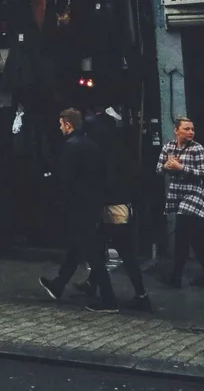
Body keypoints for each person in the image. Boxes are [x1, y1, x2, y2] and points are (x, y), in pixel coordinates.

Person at [39, 108, 118, 313]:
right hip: (92, 204)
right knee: (78, 247)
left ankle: (109, 299)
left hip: (78, 206)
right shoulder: (92, 145)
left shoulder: (70, 146)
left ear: (67, 123)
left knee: (91, 253)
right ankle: (58, 284)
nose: (59, 127)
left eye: (61, 124)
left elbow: (66, 180)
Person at [78, 112, 151, 311]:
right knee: (119, 252)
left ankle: (109, 299)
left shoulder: (104, 152)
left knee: (106, 251)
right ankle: (138, 295)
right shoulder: (120, 149)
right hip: (121, 206)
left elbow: (106, 182)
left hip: (111, 208)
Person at [157, 116, 204, 288]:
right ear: (176, 130)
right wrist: (167, 167)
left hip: (193, 195)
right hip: (177, 194)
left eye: (192, 129)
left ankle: (175, 277)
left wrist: (182, 168)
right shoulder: (168, 147)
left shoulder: (198, 149)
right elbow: (158, 169)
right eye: (186, 129)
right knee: (195, 239)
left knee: (182, 236)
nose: (191, 132)